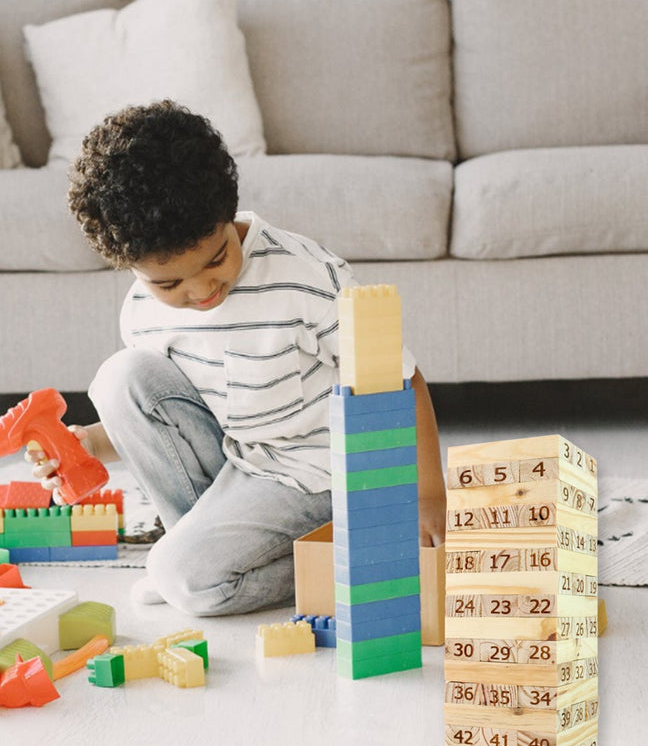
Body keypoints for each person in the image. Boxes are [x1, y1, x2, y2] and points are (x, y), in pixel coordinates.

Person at [34, 100, 446, 617]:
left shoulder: (304, 278)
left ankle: (339, 552)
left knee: (189, 581)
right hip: (243, 463)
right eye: (170, 283)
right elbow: (173, 420)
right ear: (128, 266)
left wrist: (427, 496)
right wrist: (90, 444)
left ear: (227, 215)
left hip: (322, 476)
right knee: (122, 377)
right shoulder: (142, 311)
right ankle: (194, 555)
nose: (202, 290)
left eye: (217, 259)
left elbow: (401, 379)